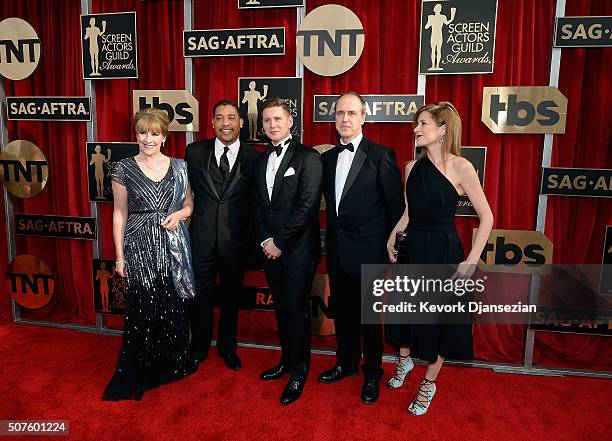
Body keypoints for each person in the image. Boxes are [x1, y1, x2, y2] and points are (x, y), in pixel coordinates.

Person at [385, 102, 493, 415]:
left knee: (440, 320)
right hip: (413, 248)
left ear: (442, 129)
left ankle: (428, 383)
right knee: (405, 313)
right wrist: (394, 235)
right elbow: (409, 212)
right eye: (416, 124)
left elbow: (487, 217)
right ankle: (404, 362)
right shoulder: (410, 168)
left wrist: (471, 261)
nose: (416, 129)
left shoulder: (461, 167)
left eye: (423, 124)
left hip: (444, 252)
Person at [102, 108, 196, 401]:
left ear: (164, 137)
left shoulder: (180, 167)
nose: (148, 138)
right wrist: (119, 257)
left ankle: (169, 364)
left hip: (171, 244)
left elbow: (189, 206)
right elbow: (119, 213)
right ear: (136, 134)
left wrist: (178, 215)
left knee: (170, 304)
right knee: (143, 306)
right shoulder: (122, 168)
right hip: (138, 243)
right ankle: (140, 368)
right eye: (143, 132)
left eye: (154, 133)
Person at [319, 92, 405, 404]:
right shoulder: (327, 159)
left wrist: (389, 252)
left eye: (351, 113)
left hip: (370, 252)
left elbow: (396, 210)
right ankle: (346, 363)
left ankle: (372, 373)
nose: (344, 119)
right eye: (340, 113)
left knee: (369, 318)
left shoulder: (381, 155)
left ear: (363, 117)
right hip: (338, 250)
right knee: (343, 314)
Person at [253, 98, 323, 405]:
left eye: (278, 119)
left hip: (297, 251)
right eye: (267, 120)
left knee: (296, 311)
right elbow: (258, 206)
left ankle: (299, 371)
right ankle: (285, 360)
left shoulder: (309, 158)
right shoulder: (260, 159)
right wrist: (266, 241)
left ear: (290, 121)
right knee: (281, 309)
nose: (272, 125)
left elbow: (307, 207)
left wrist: (280, 242)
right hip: (270, 250)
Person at [186, 100, 260, 371]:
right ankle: (198, 348)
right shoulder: (194, 152)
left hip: (237, 241)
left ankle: (228, 347)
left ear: (241, 122)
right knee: (200, 297)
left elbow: (258, 201)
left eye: (231, 117)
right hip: (201, 239)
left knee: (231, 297)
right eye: (219, 117)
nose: (225, 123)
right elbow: (186, 193)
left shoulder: (255, 158)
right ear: (212, 123)